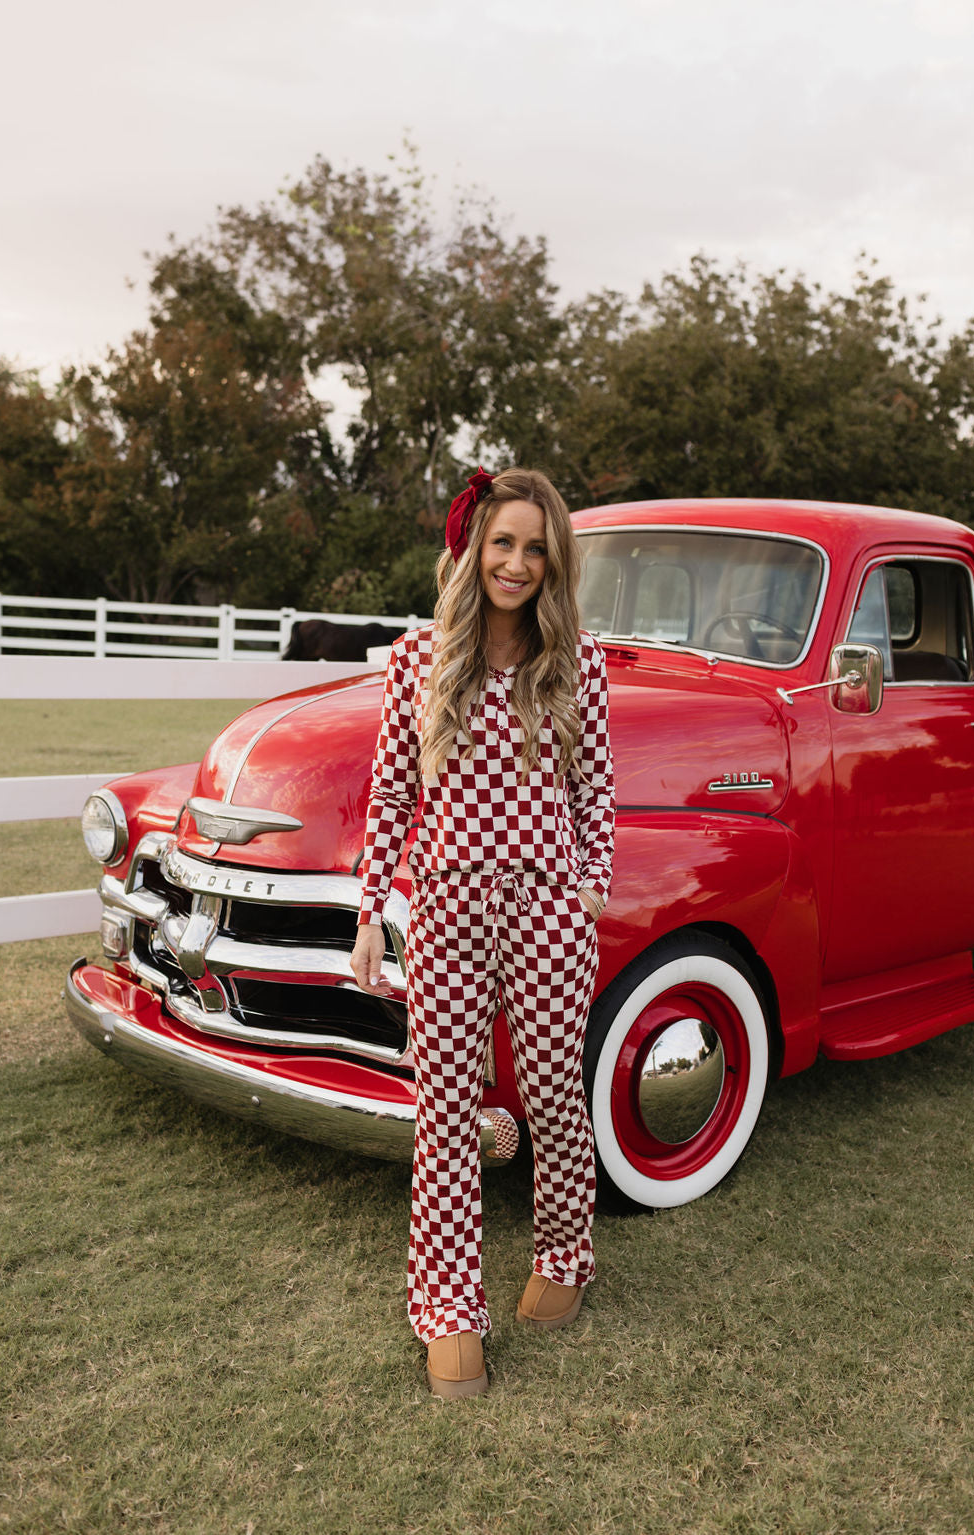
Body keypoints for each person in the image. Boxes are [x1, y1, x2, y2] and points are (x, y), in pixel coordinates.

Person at [349, 466, 615, 1398]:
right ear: (473, 548)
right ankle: (449, 1307)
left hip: (548, 907)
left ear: (554, 564)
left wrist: (588, 887)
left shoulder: (576, 667)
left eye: (535, 548)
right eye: (502, 542)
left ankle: (566, 1253)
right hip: (449, 906)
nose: (516, 562)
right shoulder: (418, 662)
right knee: (449, 1107)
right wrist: (376, 908)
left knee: (550, 1092)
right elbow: (389, 793)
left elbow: (597, 793)